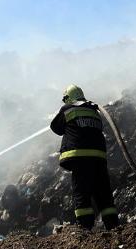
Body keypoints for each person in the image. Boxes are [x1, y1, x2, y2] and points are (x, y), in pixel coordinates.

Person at [50, 85, 120, 230]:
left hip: (80, 157)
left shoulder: (67, 109)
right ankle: (113, 226)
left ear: (68, 98)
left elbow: (56, 127)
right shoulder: (94, 110)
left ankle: (85, 228)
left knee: (81, 193)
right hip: (98, 157)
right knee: (103, 193)